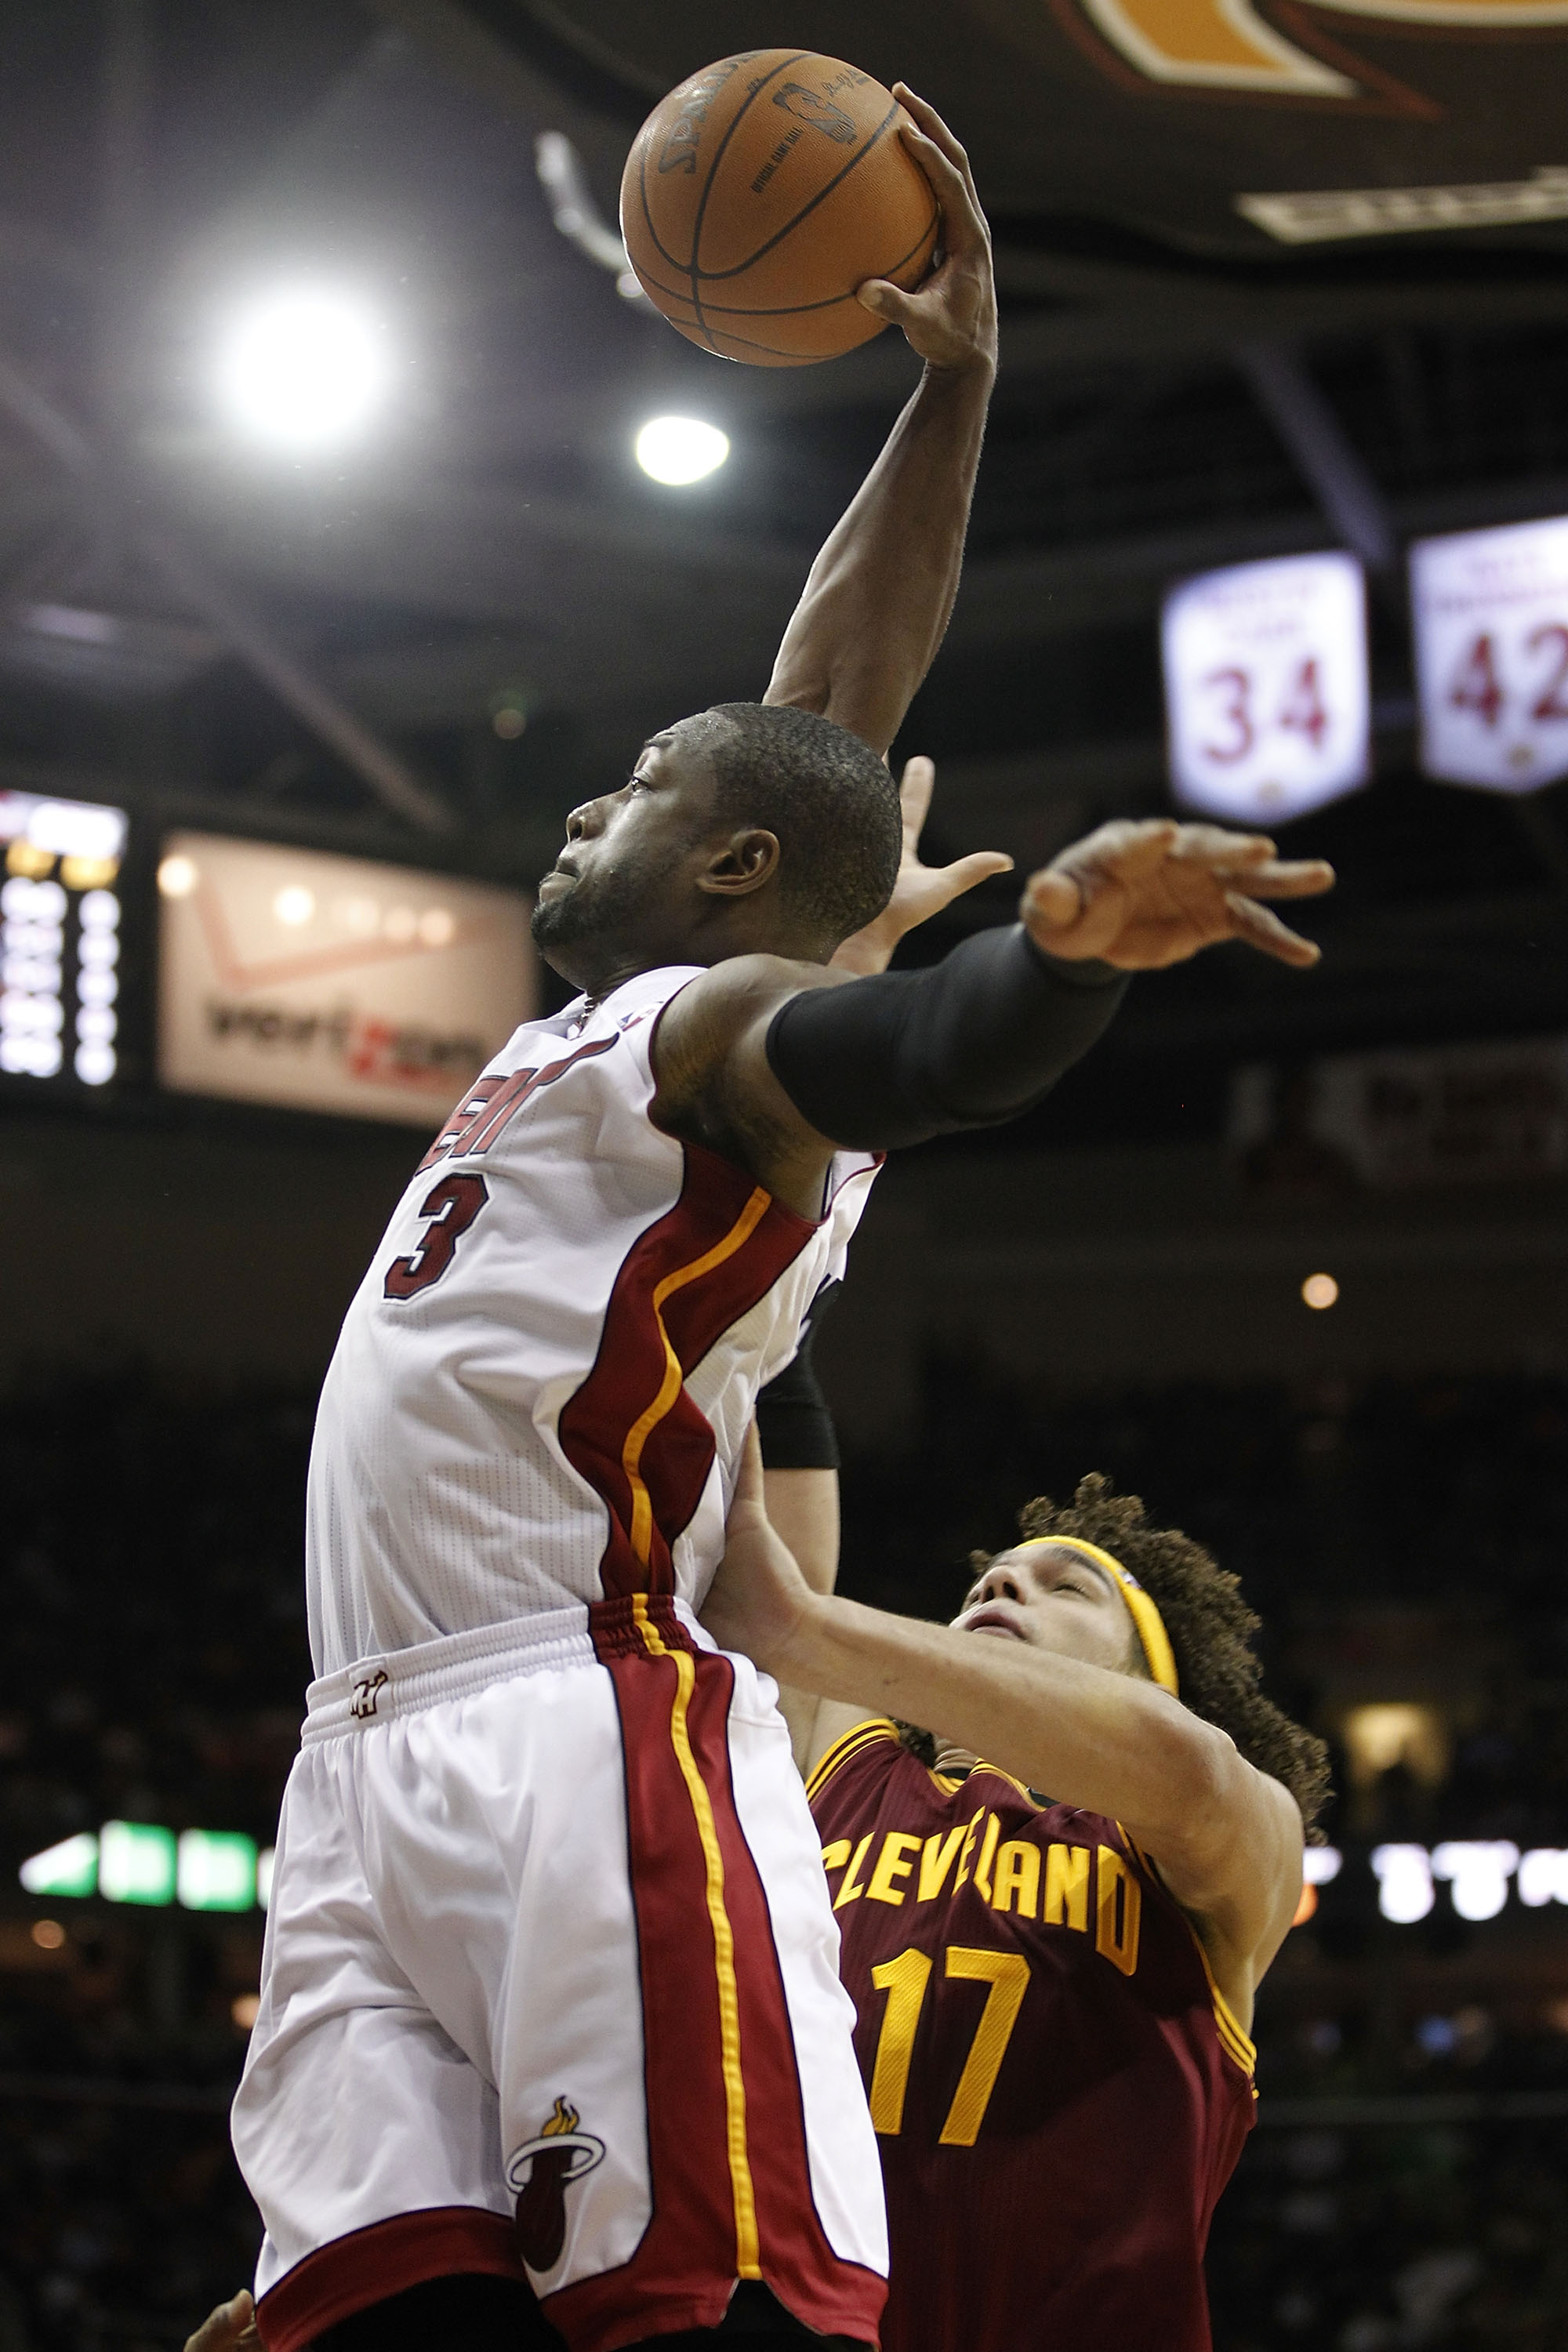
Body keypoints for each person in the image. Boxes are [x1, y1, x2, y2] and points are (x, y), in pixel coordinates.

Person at [229, 83, 1335, 2352]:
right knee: (363, 2305)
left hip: (573, 1705)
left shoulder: (720, 1034)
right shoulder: (663, 995)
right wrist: (953, 392)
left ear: (733, 882)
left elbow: (903, 1044)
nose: (589, 786)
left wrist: (1054, 966)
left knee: (701, 2303)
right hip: (361, 1750)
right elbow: (825, 705)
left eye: (641, 787)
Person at [700, 1439, 1331, 2352]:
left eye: (1065, 1587)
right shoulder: (845, 1769)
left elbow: (1185, 1768)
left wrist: (803, 1627)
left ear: (1152, 1676)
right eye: (982, 1584)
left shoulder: (1221, 1842)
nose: (996, 1589)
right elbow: (777, 1563)